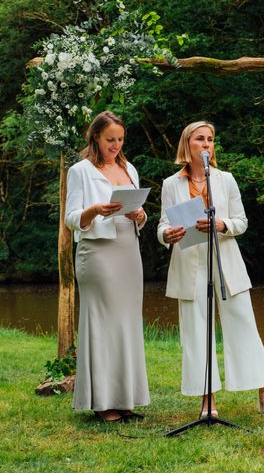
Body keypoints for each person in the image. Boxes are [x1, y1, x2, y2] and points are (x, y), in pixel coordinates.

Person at [157, 121, 264, 418]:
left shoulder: (225, 179)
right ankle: (207, 398)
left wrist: (222, 224)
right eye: (200, 139)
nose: (207, 144)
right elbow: (162, 225)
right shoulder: (171, 184)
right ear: (187, 145)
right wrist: (167, 235)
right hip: (189, 262)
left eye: (211, 139)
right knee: (197, 332)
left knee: (243, 322)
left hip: (225, 261)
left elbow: (241, 221)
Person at [65, 111, 149, 422]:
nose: (115, 145)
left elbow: (139, 212)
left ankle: (126, 399)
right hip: (98, 253)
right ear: (96, 138)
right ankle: (103, 402)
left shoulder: (130, 168)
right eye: (109, 139)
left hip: (128, 250)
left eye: (120, 139)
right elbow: (72, 218)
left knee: (126, 325)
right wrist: (96, 209)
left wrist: (139, 216)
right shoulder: (81, 171)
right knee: (102, 325)